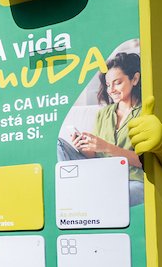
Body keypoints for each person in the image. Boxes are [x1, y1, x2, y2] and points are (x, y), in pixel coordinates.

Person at [59, 51, 145, 206]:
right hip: (102, 176)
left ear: (135, 79)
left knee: (108, 197)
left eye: (117, 83)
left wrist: (106, 147)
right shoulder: (103, 114)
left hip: (132, 180)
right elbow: (94, 157)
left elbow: (145, 162)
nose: (111, 90)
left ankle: (85, 193)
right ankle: (75, 189)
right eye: (108, 85)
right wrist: (85, 147)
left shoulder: (144, 113)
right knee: (58, 144)